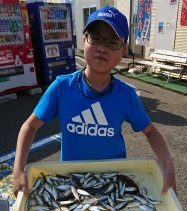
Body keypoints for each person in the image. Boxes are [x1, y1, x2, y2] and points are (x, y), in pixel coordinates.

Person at [13, 6, 176, 197]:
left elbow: (150, 132)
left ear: (122, 51)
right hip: (71, 179)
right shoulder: (62, 87)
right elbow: (29, 126)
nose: (102, 47)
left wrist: (168, 165)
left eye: (112, 42)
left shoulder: (126, 95)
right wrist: (18, 169)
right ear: (84, 41)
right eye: (95, 38)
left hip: (114, 180)